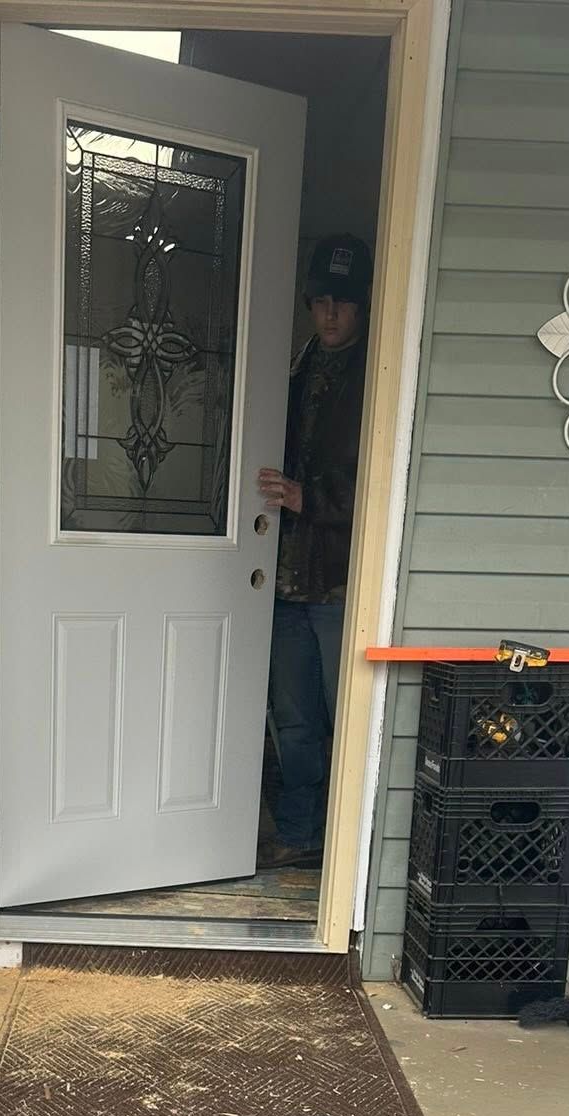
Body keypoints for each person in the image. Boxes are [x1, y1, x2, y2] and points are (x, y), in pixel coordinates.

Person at [257, 233, 372, 867]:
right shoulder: (297, 364)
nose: (331, 314)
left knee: (346, 717)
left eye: (344, 303)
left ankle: (346, 848)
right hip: (279, 577)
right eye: (321, 300)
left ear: (362, 308)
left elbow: (379, 479)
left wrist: (310, 499)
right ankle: (301, 835)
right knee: (294, 720)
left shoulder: (374, 376)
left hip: (337, 581)